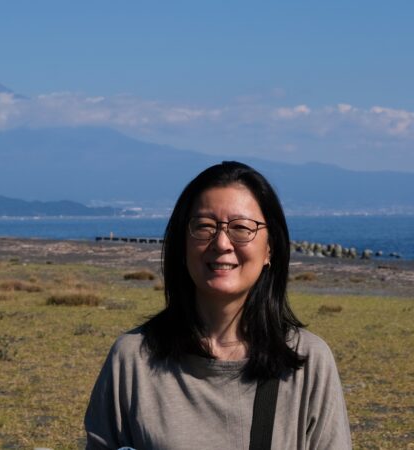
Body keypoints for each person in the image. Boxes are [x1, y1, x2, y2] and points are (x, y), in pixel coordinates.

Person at [84, 161, 351, 449]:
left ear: (270, 248)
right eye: (204, 226)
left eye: (241, 228)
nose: (222, 242)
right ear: (182, 245)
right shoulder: (132, 359)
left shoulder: (308, 362)